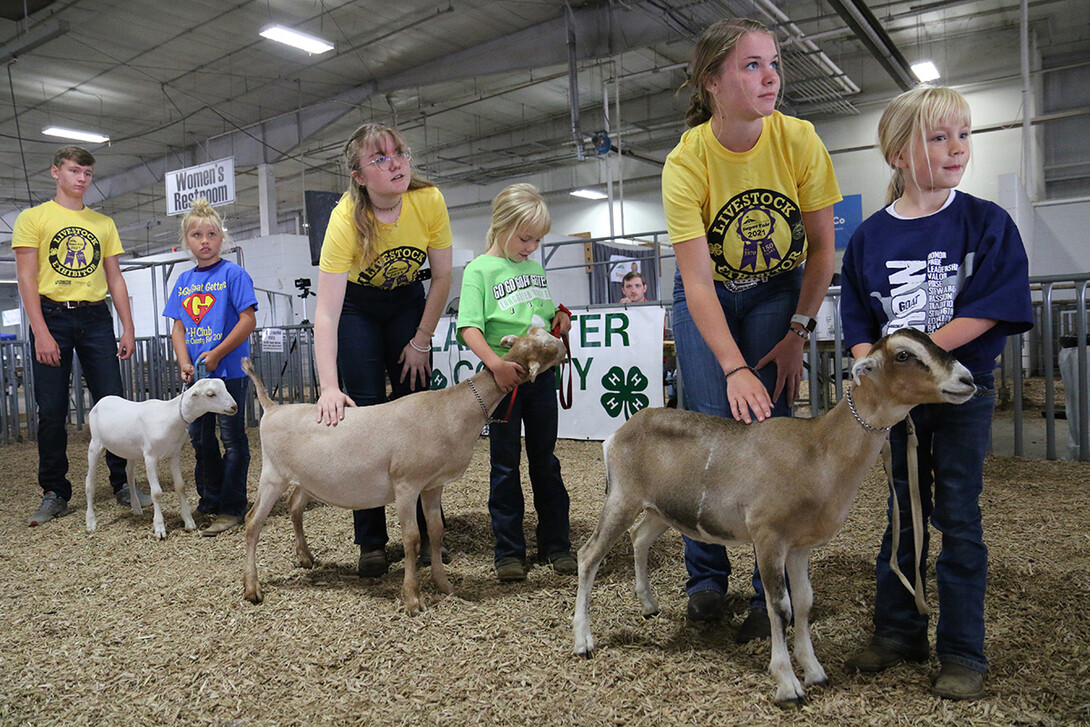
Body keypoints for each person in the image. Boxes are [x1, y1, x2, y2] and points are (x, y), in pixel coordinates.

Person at [839, 85, 1032, 700]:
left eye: (964, 135)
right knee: (903, 508)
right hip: (899, 404)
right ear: (898, 153)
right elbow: (857, 325)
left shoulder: (985, 222)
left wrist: (918, 364)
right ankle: (898, 629)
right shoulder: (869, 237)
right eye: (938, 136)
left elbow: (988, 308)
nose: (956, 149)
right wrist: (872, 367)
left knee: (957, 513)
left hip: (959, 395)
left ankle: (962, 649)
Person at [661, 18, 842, 640]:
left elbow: (821, 251)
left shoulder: (800, 139)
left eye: (773, 63)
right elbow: (698, 282)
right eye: (751, 66)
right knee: (707, 428)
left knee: (767, 432)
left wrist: (798, 331)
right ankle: (705, 578)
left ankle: (769, 590)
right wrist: (734, 366)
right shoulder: (687, 161)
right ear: (713, 81)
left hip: (776, 291)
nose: (771, 77)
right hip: (709, 294)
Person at [313, 122, 453, 577]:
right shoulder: (343, 221)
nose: (395, 163)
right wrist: (329, 387)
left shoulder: (427, 200)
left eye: (399, 153)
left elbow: (443, 278)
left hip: (409, 302)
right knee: (366, 414)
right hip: (357, 308)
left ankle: (430, 534)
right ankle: (371, 539)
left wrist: (420, 341)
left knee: (421, 413)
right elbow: (327, 314)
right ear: (359, 176)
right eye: (380, 158)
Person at [14, 145, 152, 526]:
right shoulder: (33, 218)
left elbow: (115, 278)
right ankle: (55, 491)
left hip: (95, 317)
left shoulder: (103, 224)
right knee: (52, 409)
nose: (81, 179)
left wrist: (128, 325)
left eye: (87, 174)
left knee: (114, 404)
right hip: (52, 315)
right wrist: (40, 330)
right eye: (75, 171)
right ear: (55, 172)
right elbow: (26, 277)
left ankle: (123, 483)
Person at [456, 183, 575, 582]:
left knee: (546, 460)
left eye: (538, 240)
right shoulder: (480, 270)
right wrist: (494, 365)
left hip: (541, 376)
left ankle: (556, 544)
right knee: (504, 465)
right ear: (502, 226)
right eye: (525, 238)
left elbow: (540, 313)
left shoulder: (534, 267)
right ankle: (508, 551)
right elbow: (469, 326)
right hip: (504, 381)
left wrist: (560, 318)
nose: (531, 248)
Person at [162, 198, 257, 536]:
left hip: (228, 371)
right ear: (186, 240)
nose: (204, 241)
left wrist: (217, 353)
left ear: (222, 239)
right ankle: (211, 499)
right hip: (197, 377)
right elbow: (178, 327)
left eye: (211, 234)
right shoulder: (184, 280)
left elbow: (248, 320)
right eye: (196, 234)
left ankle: (232, 506)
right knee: (200, 438)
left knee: (232, 437)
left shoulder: (234, 274)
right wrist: (184, 360)